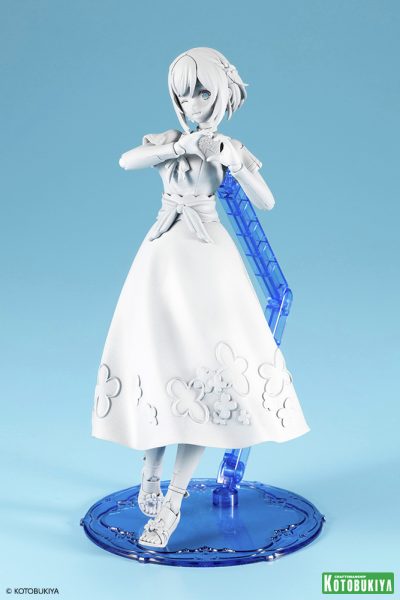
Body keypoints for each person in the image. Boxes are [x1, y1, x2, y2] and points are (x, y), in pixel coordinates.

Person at [91, 47, 310, 548]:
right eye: (184, 93)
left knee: (205, 381)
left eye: (202, 91)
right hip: (161, 257)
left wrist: (231, 158)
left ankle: (174, 500)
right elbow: (126, 159)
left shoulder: (228, 146)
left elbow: (266, 199)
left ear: (223, 93)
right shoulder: (171, 139)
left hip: (208, 260)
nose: (192, 101)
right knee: (158, 365)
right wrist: (181, 146)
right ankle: (150, 473)